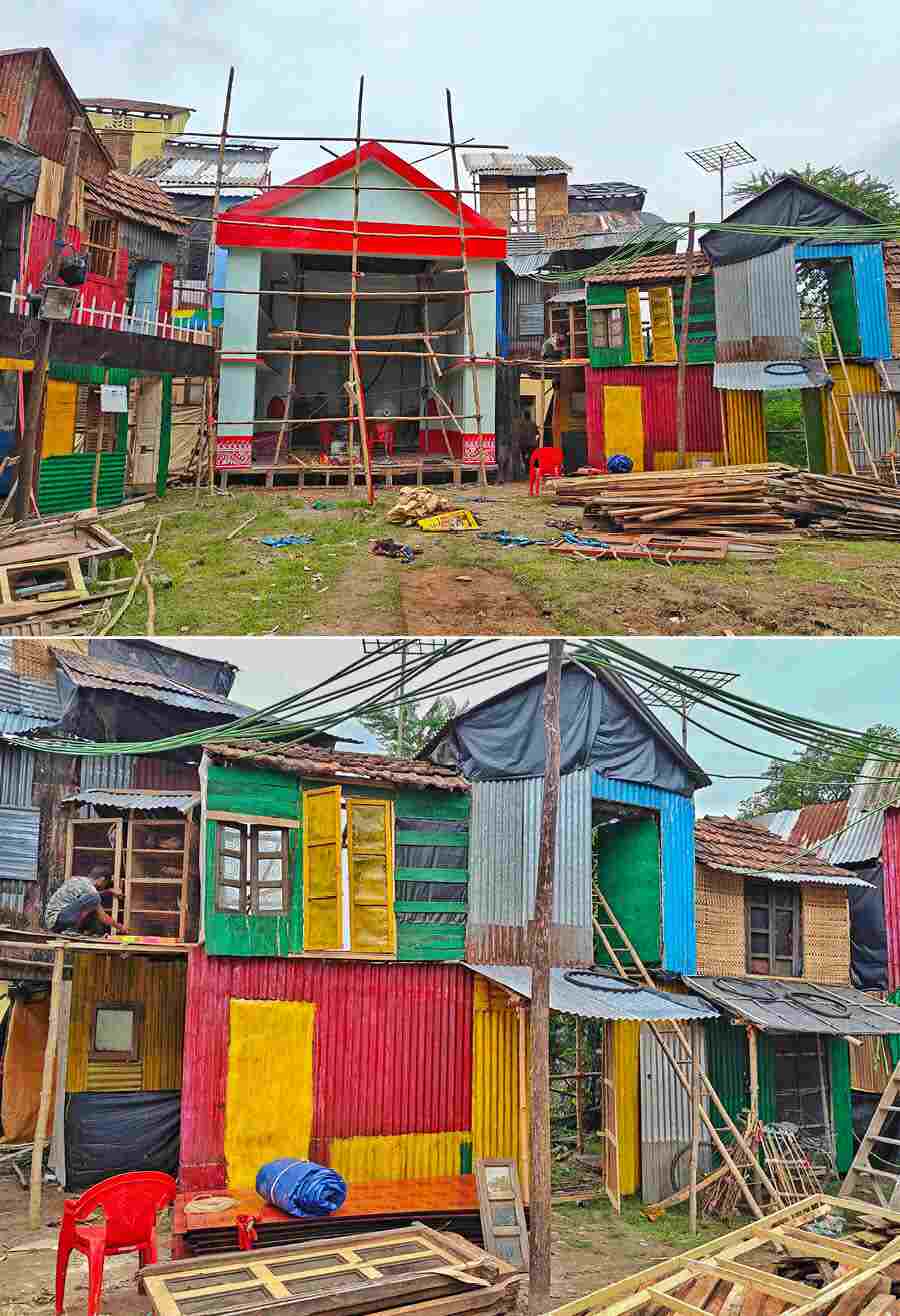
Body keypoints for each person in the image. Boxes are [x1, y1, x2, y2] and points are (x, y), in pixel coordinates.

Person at [43, 868, 125, 936]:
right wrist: (120, 927)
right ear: (102, 879)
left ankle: (83, 930)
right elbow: (103, 917)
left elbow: (85, 898)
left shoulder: (77, 880)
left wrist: (109, 891)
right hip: (59, 919)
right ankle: (72, 929)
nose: (104, 886)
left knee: (93, 903)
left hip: (53, 921)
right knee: (95, 899)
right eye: (106, 883)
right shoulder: (91, 892)